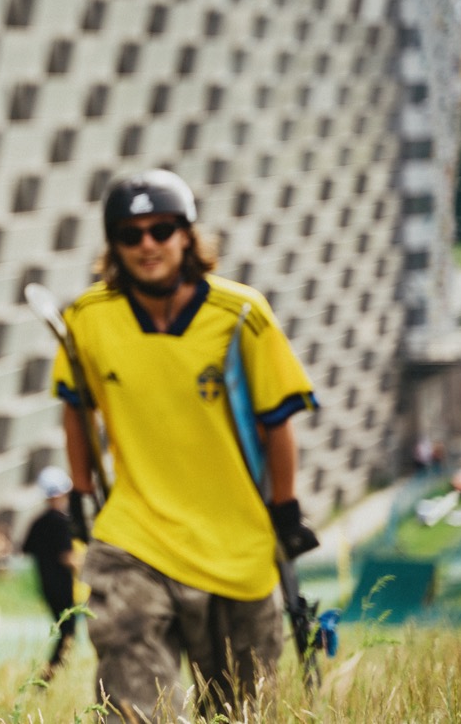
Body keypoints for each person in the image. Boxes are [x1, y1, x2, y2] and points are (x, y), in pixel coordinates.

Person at [49, 169, 320, 720]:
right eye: (131, 234)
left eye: (162, 230)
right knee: (131, 701)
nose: (147, 245)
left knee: (240, 710)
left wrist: (286, 508)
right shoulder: (87, 319)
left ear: (187, 236)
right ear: (113, 244)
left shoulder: (242, 315)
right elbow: (76, 407)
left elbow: (277, 422)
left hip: (236, 546)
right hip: (136, 537)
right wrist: (80, 493)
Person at [21, 465, 83, 684]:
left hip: (46, 586)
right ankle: (46, 679)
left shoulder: (38, 523)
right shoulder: (61, 522)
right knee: (68, 632)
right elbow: (68, 557)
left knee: (64, 631)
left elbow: (26, 548)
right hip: (63, 587)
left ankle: (48, 678)